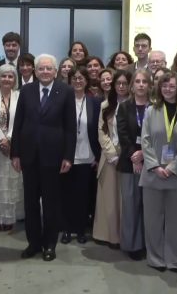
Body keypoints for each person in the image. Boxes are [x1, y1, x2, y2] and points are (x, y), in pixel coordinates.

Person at [11, 54, 76, 262]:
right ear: (35, 71)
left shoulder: (65, 91)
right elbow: (18, 124)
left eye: (49, 69)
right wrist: (15, 153)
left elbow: (70, 128)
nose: (45, 72)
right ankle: (33, 243)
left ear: (55, 71)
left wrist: (68, 156)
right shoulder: (26, 91)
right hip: (29, 157)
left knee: (51, 203)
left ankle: (49, 244)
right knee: (30, 203)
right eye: (41, 69)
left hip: (54, 157)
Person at [140, 71, 177, 272]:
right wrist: (156, 165)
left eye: (172, 86)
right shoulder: (151, 110)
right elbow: (145, 140)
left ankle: (174, 260)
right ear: (160, 88)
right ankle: (156, 258)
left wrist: (173, 166)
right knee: (152, 220)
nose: (168, 89)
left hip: (176, 175)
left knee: (176, 221)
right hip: (152, 174)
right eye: (164, 86)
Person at [60, 67, 101, 245]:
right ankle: (67, 230)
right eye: (74, 78)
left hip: (87, 155)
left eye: (81, 78)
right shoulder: (62, 101)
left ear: (86, 81)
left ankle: (81, 229)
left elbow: (99, 130)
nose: (78, 81)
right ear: (69, 81)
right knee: (66, 194)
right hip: (66, 156)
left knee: (83, 195)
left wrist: (98, 156)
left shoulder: (95, 102)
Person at [116, 68, 152, 260]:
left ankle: (147, 243)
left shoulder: (155, 106)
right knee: (131, 205)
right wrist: (134, 156)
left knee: (148, 206)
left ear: (149, 86)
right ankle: (132, 245)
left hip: (151, 162)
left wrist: (144, 155)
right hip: (129, 163)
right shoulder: (124, 107)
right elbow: (122, 134)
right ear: (132, 86)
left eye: (144, 82)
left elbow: (157, 135)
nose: (140, 85)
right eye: (137, 82)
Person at [93, 69, 131, 247]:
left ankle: (125, 237)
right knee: (109, 198)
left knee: (125, 198)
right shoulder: (106, 105)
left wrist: (126, 153)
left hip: (130, 155)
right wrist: (111, 154)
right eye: (118, 84)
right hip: (109, 156)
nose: (121, 86)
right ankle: (109, 236)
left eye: (125, 83)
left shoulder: (136, 104)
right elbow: (101, 131)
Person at [0, 64, 23, 231]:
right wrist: (1, 139)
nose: (7, 79)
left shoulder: (20, 96)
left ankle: (9, 218)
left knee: (12, 181)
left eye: (10, 76)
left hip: (13, 147)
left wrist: (9, 139)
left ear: (15, 79)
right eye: (3, 76)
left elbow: (22, 119)